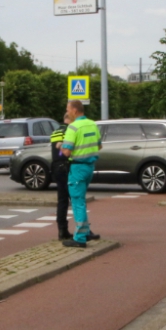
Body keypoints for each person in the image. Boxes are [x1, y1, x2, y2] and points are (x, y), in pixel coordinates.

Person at [60, 100, 102, 248]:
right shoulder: (93, 124)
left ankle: (80, 237)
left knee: (77, 203)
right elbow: (99, 145)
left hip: (77, 168)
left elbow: (66, 151)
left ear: (75, 111)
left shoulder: (73, 127)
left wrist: (60, 145)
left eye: (68, 109)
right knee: (81, 201)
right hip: (90, 167)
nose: (68, 112)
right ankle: (87, 231)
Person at [50, 113, 72, 240]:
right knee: (76, 198)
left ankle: (62, 230)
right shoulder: (70, 130)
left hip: (56, 166)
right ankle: (83, 228)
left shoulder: (55, 132)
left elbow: (55, 149)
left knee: (62, 200)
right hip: (66, 166)